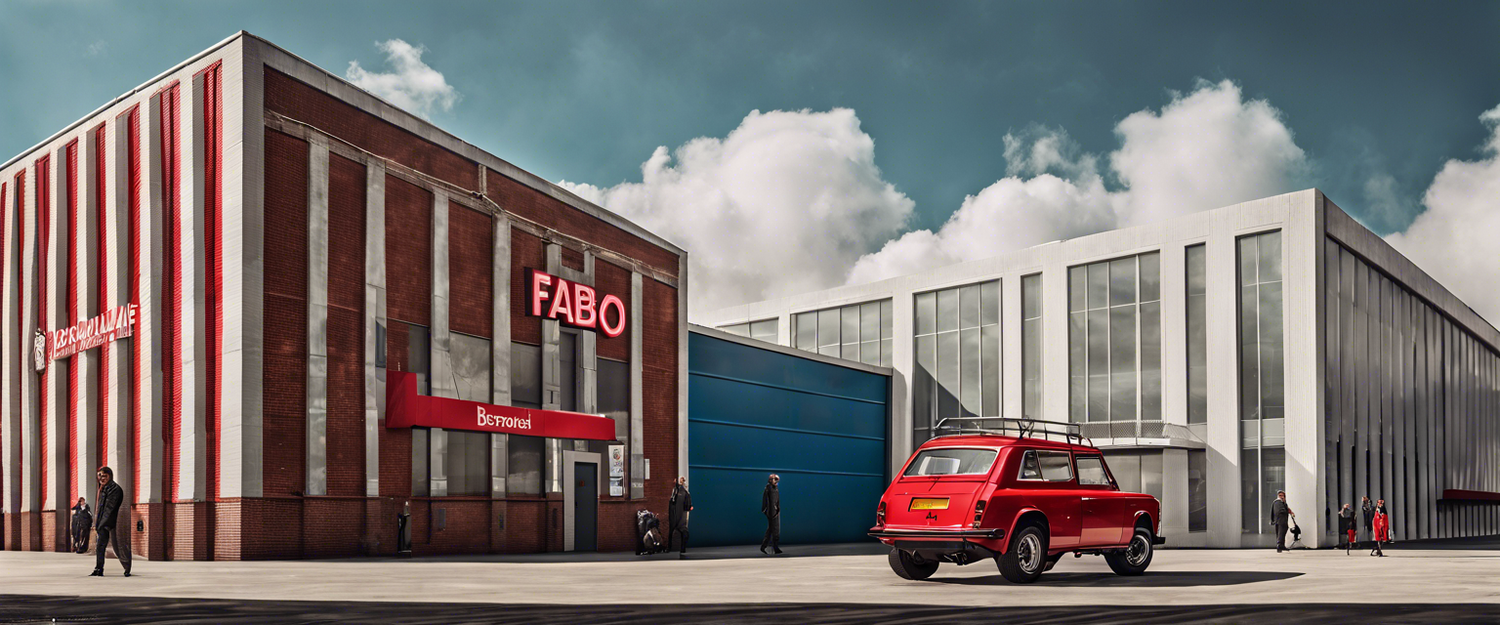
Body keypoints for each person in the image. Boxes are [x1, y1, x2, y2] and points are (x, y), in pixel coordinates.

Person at [91, 466, 131, 577]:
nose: (101, 478)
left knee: (119, 546)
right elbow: (100, 509)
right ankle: (98, 569)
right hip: (104, 522)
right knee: (100, 546)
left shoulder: (114, 489)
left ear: (110, 476)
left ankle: (127, 567)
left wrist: (102, 524)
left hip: (113, 522)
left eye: (104, 476)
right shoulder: (103, 488)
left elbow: (109, 508)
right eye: (100, 476)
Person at [668, 476, 693, 559]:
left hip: (677, 516)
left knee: (673, 531)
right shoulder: (682, 492)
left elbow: (687, 506)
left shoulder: (680, 492)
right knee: (683, 532)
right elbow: (688, 506)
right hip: (680, 516)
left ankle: (670, 548)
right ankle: (681, 549)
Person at [760, 474, 782, 555]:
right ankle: (774, 547)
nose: (776, 482)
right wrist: (767, 511)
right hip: (771, 512)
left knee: (771, 529)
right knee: (774, 530)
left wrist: (778, 509)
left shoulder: (775, 488)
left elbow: (777, 500)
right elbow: (767, 501)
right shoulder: (768, 488)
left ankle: (764, 546)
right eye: (775, 480)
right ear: (770, 480)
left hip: (775, 511)